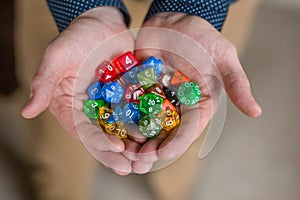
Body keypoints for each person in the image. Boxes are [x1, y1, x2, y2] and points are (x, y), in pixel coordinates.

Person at [21, 0, 262, 176]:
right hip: (63, 10)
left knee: (187, 139)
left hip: (211, 10)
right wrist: (88, 10)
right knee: (59, 147)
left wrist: (190, 8)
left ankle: (175, 188)